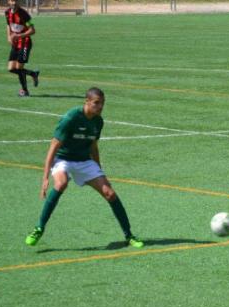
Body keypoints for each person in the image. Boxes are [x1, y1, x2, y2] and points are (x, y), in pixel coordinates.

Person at [25, 87, 144, 248]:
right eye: (97, 103)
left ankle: (129, 235)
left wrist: (98, 169)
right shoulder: (71, 118)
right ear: (86, 101)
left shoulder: (98, 121)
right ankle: (38, 228)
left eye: (102, 103)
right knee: (61, 184)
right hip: (63, 159)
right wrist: (45, 177)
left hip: (84, 161)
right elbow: (53, 147)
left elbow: (93, 146)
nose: (100, 107)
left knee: (110, 193)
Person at [5, 0, 40, 97]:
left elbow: (33, 30)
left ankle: (25, 90)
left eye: (15, 1)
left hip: (25, 44)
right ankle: (33, 74)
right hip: (15, 44)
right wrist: (9, 36)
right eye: (12, 0)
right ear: (8, 1)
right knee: (11, 68)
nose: (14, 3)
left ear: (18, 1)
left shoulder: (24, 14)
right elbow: (8, 25)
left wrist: (18, 36)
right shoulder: (7, 13)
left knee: (19, 68)